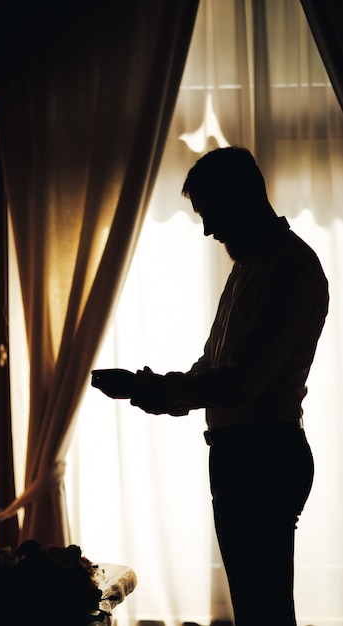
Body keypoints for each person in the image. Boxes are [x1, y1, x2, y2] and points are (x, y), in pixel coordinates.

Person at [91, 146, 329, 626]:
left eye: (211, 213)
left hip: (262, 456)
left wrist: (150, 388)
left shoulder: (289, 268)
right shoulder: (251, 267)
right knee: (257, 607)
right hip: (246, 454)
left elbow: (240, 383)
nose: (208, 229)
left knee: (264, 611)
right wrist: (146, 390)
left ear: (241, 199)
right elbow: (214, 364)